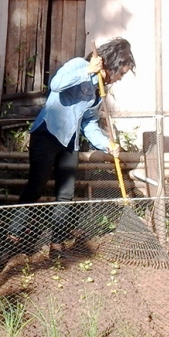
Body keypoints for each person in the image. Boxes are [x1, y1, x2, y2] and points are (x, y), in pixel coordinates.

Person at [10, 37, 136, 249]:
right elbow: (56, 85)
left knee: (66, 193)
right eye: (121, 73)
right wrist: (87, 71)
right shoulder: (79, 65)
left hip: (70, 142)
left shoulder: (99, 93)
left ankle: (56, 242)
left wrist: (106, 144)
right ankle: (13, 235)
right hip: (47, 133)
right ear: (113, 64)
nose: (121, 78)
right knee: (36, 187)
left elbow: (89, 124)